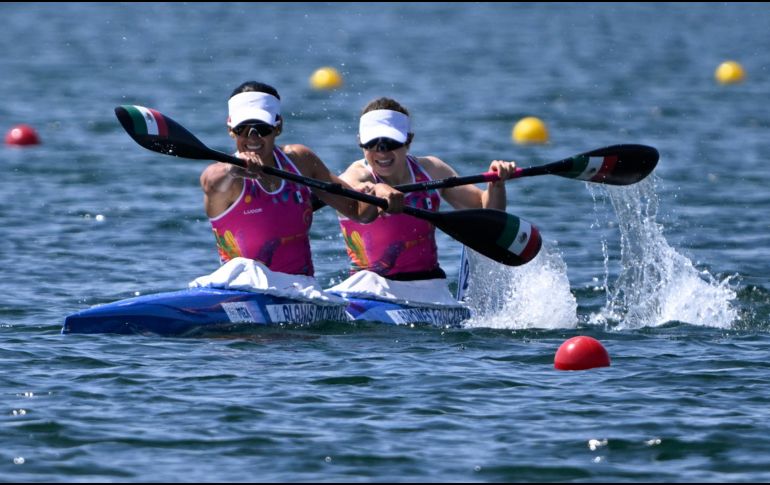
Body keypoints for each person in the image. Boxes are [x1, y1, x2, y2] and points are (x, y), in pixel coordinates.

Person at [200, 82, 403, 277]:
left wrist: (378, 192)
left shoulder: (301, 161)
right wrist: (232, 169)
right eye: (242, 129)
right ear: (230, 129)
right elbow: (210, 181)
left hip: (300, 290)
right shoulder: (226, 178)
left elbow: (358, 212)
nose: (253, 138)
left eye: (262, 129)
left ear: (278, 127)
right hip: (243, 288)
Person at [336, 97, 516, 282]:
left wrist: (497, 184)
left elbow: (488, 213)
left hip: (428, 286)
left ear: (408, 140)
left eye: (391, 142)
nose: (382, 152)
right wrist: (380, 189)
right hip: (370, 287)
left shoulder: (432, 170)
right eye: (372, 143)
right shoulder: (354, 177)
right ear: (360, 142)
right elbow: (357, 201)